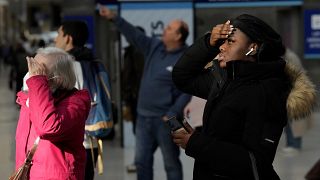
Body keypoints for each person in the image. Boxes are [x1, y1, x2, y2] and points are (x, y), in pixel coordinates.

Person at [171, 14, 316, 179]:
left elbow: (255, 163)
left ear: (252, 48)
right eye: (222, 41)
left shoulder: (265, 93)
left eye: (230, 41)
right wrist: (209, 42)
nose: (221, 47)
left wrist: (195, 143)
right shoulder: (226, 79)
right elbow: (182, 77)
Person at [100, 6, 191, 180]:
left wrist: (172, 113)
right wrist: (114, 18)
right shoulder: (155, 46)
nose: (165, 30)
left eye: (170, 28)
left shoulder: (185, 58)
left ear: (178, 36)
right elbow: (134, 34)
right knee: (142, 162)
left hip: (166, 121)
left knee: (170, 163)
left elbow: (186, 91)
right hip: (143, 118)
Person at [15, 47, 91, 179]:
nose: (31, 75)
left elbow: (48, 127)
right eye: (32, 68)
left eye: (39, 71)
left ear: (59, 79)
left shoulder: (76, 103)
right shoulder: (29, 98)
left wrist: (37, 82)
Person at [54, 20, 113, 180]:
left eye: (59, 34)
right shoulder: (92, 62)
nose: (55, 39)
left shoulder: (69, 67)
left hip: (74, 145)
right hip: (92, 142)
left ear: (68, 38)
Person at [121, 26, 145, 173]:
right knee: (140, 132)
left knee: (140, 132)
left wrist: (127, 99)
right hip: (136, 97)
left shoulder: (136, 52)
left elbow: (128, 78)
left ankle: (139, 162)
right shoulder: (132, 51)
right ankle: (140, 161)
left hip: (137, 97)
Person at [282, 48, 314, 154]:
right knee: (289, 121)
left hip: (296, 91)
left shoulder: (291, 57)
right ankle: (291, 143)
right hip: (290, 91)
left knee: (295, 121)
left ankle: (295, 145)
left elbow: (296, 74)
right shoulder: (286, 56)